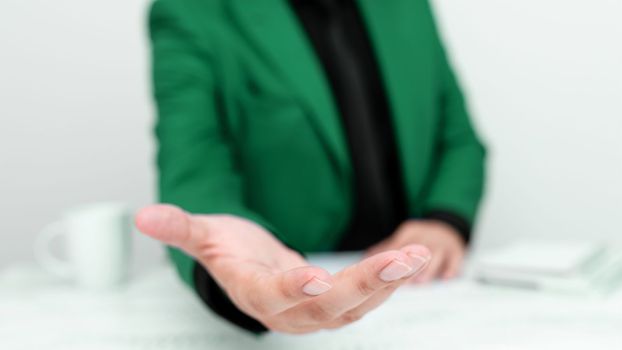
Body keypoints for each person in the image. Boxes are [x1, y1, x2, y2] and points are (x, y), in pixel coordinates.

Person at [135, 0, 486, 334]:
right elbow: (195, 169)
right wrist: (236, 264)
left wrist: (444, 220)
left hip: (422, 291)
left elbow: (458, 139)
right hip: (292, 281)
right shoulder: (192, 11)